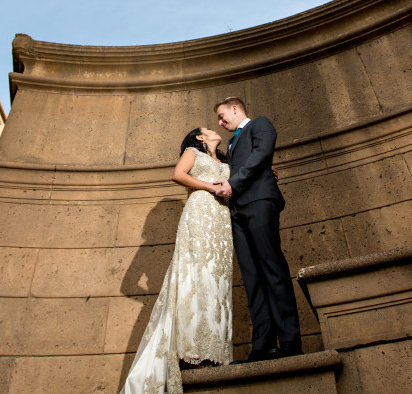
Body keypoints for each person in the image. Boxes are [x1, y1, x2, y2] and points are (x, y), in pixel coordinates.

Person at [120, 128, 234, 394]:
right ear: (200, 138)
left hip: (221, 222)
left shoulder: (227, 162)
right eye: (207, 129)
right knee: (198, 276)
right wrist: (207, 186)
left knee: (217, 281)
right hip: (199, 213)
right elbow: (178, 175)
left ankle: (215, 350)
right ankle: (192, 349)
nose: (213, 128)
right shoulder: (192, 152)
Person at [212, 97, 302, 361]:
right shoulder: (231, 142)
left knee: (272, 269)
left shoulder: (260, 124)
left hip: (260, 202)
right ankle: (263, 344)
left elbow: (262, 154)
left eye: (221, 115)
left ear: (235, 108)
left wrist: (234, 183)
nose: (220, 122)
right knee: (252, 278)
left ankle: (290, 342)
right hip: (237, 211)